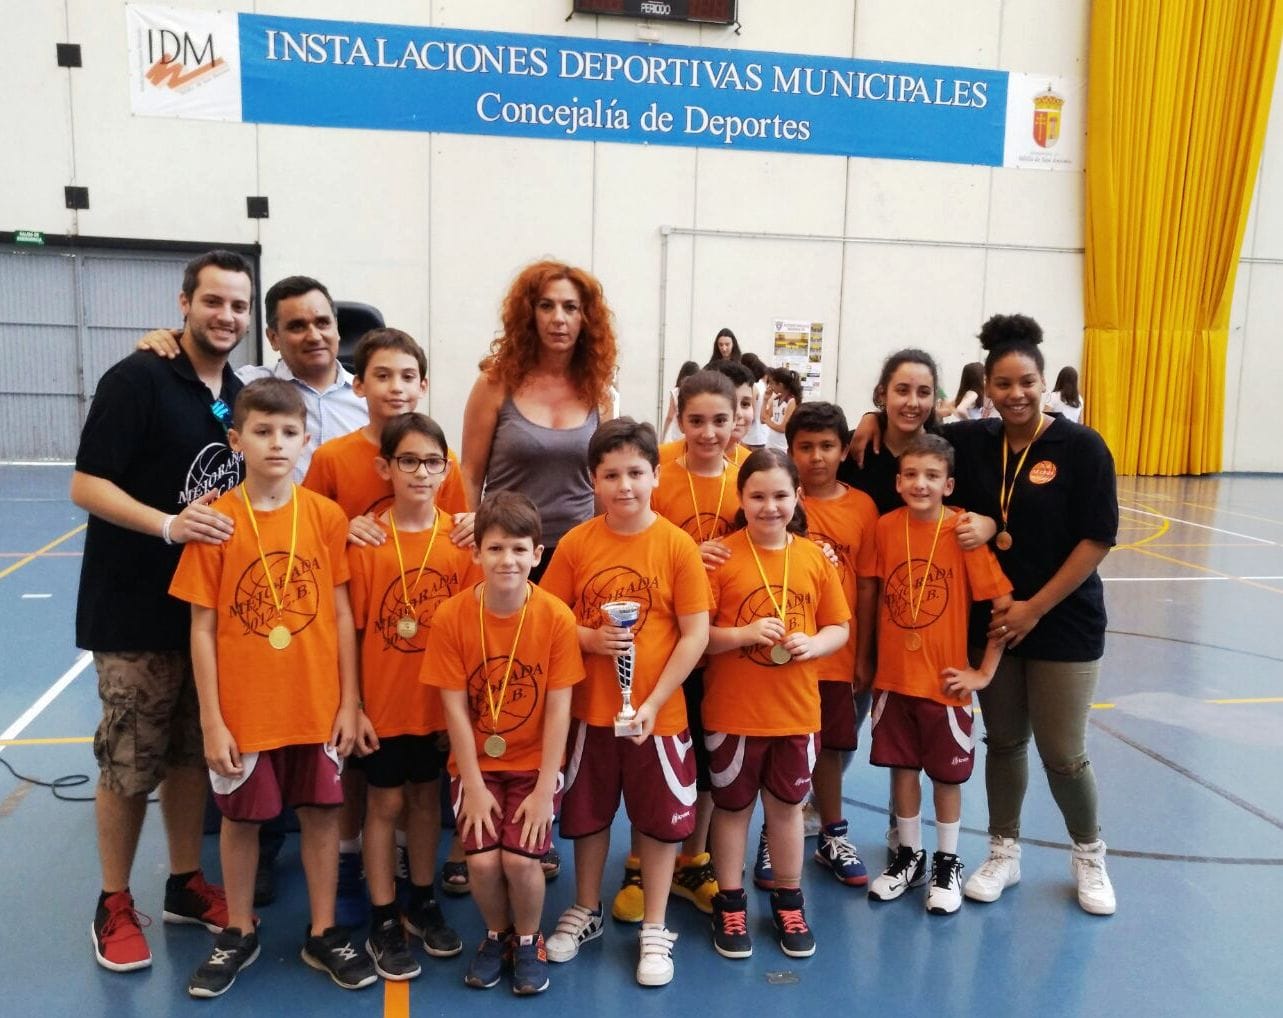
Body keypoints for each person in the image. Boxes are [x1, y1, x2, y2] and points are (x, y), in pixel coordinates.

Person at [72, 249, 251, 974]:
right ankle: (113, 901)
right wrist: (168, 525)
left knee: (188, 755)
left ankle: (184, 882)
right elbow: (87, 484)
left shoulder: (235, 394)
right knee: (129, 761)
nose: (226, 316)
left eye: (238, 305)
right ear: (184, 303)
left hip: (204, 616)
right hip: (133, 610)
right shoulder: (137, 378)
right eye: (213, 301)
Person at [169, 379, 376, 997]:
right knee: (241, 823)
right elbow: (201, 629)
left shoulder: (325, 517)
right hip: (245, 711)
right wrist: (211, 720)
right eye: (262, 432)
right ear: (237, 441)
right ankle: (238, 930)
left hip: (315, 706)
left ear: (306, 440)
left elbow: (342, 613)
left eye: (289, 432)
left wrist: (350, 702)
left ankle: (323, 930)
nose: (277, 443)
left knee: (322, 815)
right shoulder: (218, 524)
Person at [944, 314, 1119, 916]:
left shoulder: (1082, 446)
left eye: (1026, 382)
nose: (1015, 394)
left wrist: (1034, 609)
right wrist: (867, 419)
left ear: (1044, 383)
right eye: (1003, 383)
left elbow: (1097, 539)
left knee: (1063, 751)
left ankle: (1089, 854)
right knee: (1004, 742)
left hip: (1063, 620)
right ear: (986, 388)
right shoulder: (972, 442)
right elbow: (909, 438)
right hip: (993, 620)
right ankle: (1004, 851)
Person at [302, 327, 470, 928]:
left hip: (429, 681)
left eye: (407, 376)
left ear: (422, 385)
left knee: (419, 797)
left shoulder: (445, 477)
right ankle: (362, 878)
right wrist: (340, 531)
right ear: (359, 384)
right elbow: (311, 531)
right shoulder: (333, 460)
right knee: (369, 788)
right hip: (370, 666)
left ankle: (415, 891)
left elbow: (460, 526)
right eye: (382, 375)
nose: (395, 387)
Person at [540, 419, 711, 987]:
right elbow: (548, 619)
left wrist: (656, 701)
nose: (625, 485)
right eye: (611, 475)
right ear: (593, 480)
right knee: (588, 817)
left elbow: (695, 634)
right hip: (590, 714)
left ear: (656, 476)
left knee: (659, 824)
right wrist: (589, 639)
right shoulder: (577, 544)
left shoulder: (677, 546)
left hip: (658, 719)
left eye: (636, 472)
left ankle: (655, 925)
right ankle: (585, 907)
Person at [423, 491, 584, 995]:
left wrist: (544, 788)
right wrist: (471, 784)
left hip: (535, 765)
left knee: (518, 860)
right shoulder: (452, 617)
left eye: (518, 549)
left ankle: (530, 939)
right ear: (476, 553)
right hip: (476, 765)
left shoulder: (555, 617)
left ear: (537, 554)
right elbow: (454, 709)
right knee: (482, 861)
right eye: (494, 549)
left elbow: (559, 708)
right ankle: (497, 935)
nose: (507, 560)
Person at [703, 449, 850, 960]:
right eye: (758, 496)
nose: (770, 506)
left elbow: (839, 625)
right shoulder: (721, 558)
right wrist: (742, 634)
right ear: (740, 498)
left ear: (798, 497)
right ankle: (730, 901)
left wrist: (817, 643)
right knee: (732, 810)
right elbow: (697, 637)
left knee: (786, 811)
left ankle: (789, 900)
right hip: (733, 713)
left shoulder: (813, 557)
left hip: (795, 713)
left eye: (780, 495)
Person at [346, 413, 477, 979]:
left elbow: (474, 634)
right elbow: (351, 633)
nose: (421, 472)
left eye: (432, 462)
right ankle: (382, 914)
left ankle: (421, 899)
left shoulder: (462, 543)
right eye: (408, 461)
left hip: (438, 708)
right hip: (383, 704)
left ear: (447, 470)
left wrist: (464, 712)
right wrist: (353, 705)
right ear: (386, 468)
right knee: (383, 806)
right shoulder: (368, 543)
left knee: (426, 801)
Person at [865, 434, 1012, 915]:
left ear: (948, 485)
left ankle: (948, 860)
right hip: (894, 680)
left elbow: (1003, 605)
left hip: (945, 683)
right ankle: (909, 857)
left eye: (932, 476)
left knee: (947, 778)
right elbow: (871, 595)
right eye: (911, 474)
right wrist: (867, 661)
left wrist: (983, 672)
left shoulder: (962, 533)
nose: (920, 484)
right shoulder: (885, 528)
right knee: (903, 770)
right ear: (897, 481)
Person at [460, 259, 618, 585]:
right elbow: (471, 474)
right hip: (508, 551)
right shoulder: (494, 384)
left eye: (570, 307)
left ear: (586, 318)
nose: (558, 318)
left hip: (576, 551)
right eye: (546, 306)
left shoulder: (599, 392)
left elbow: (603, 480)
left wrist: (608, 543)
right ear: (529, 314)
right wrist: (474, 540)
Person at [782, 402, 879, 889]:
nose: (816, 456)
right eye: (805, 447)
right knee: (783, 748)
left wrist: (863, 654)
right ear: (790, 450)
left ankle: (831, 833)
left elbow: (866, 585)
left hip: (837, 655)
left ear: (844, 450)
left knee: (830, 750)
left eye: (826, 446)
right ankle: (774, 835)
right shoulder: (780, 500)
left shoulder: (862, 508)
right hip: (785, 656)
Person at [139, 275, 367, 480]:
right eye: (297, 326)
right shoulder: (244, 388)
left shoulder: (370, 397)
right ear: (273, 338)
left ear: (337, 329)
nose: (314, 336)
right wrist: (167, 343)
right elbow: (200, 392)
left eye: (323, 323)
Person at [761, 367, 802, 452]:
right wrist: (765, 400)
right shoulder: (776, 399)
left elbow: (783, 428)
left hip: (782, 446)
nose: (770, 386)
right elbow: (762, 419)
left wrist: (768, 421)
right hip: (771, 442)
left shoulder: (791, 401)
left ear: (780, 385)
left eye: (772, 383)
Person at [660, 360, 700, 443]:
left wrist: (663, 435)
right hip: (694, 433)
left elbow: (669, 417)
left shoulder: (675, 392)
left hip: (678, 435)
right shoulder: (698, 393)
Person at [740, 352, 770, 450]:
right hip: (761, 433)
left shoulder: (753, 386)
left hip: (754, 435)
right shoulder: (762, 383)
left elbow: (751, 412)